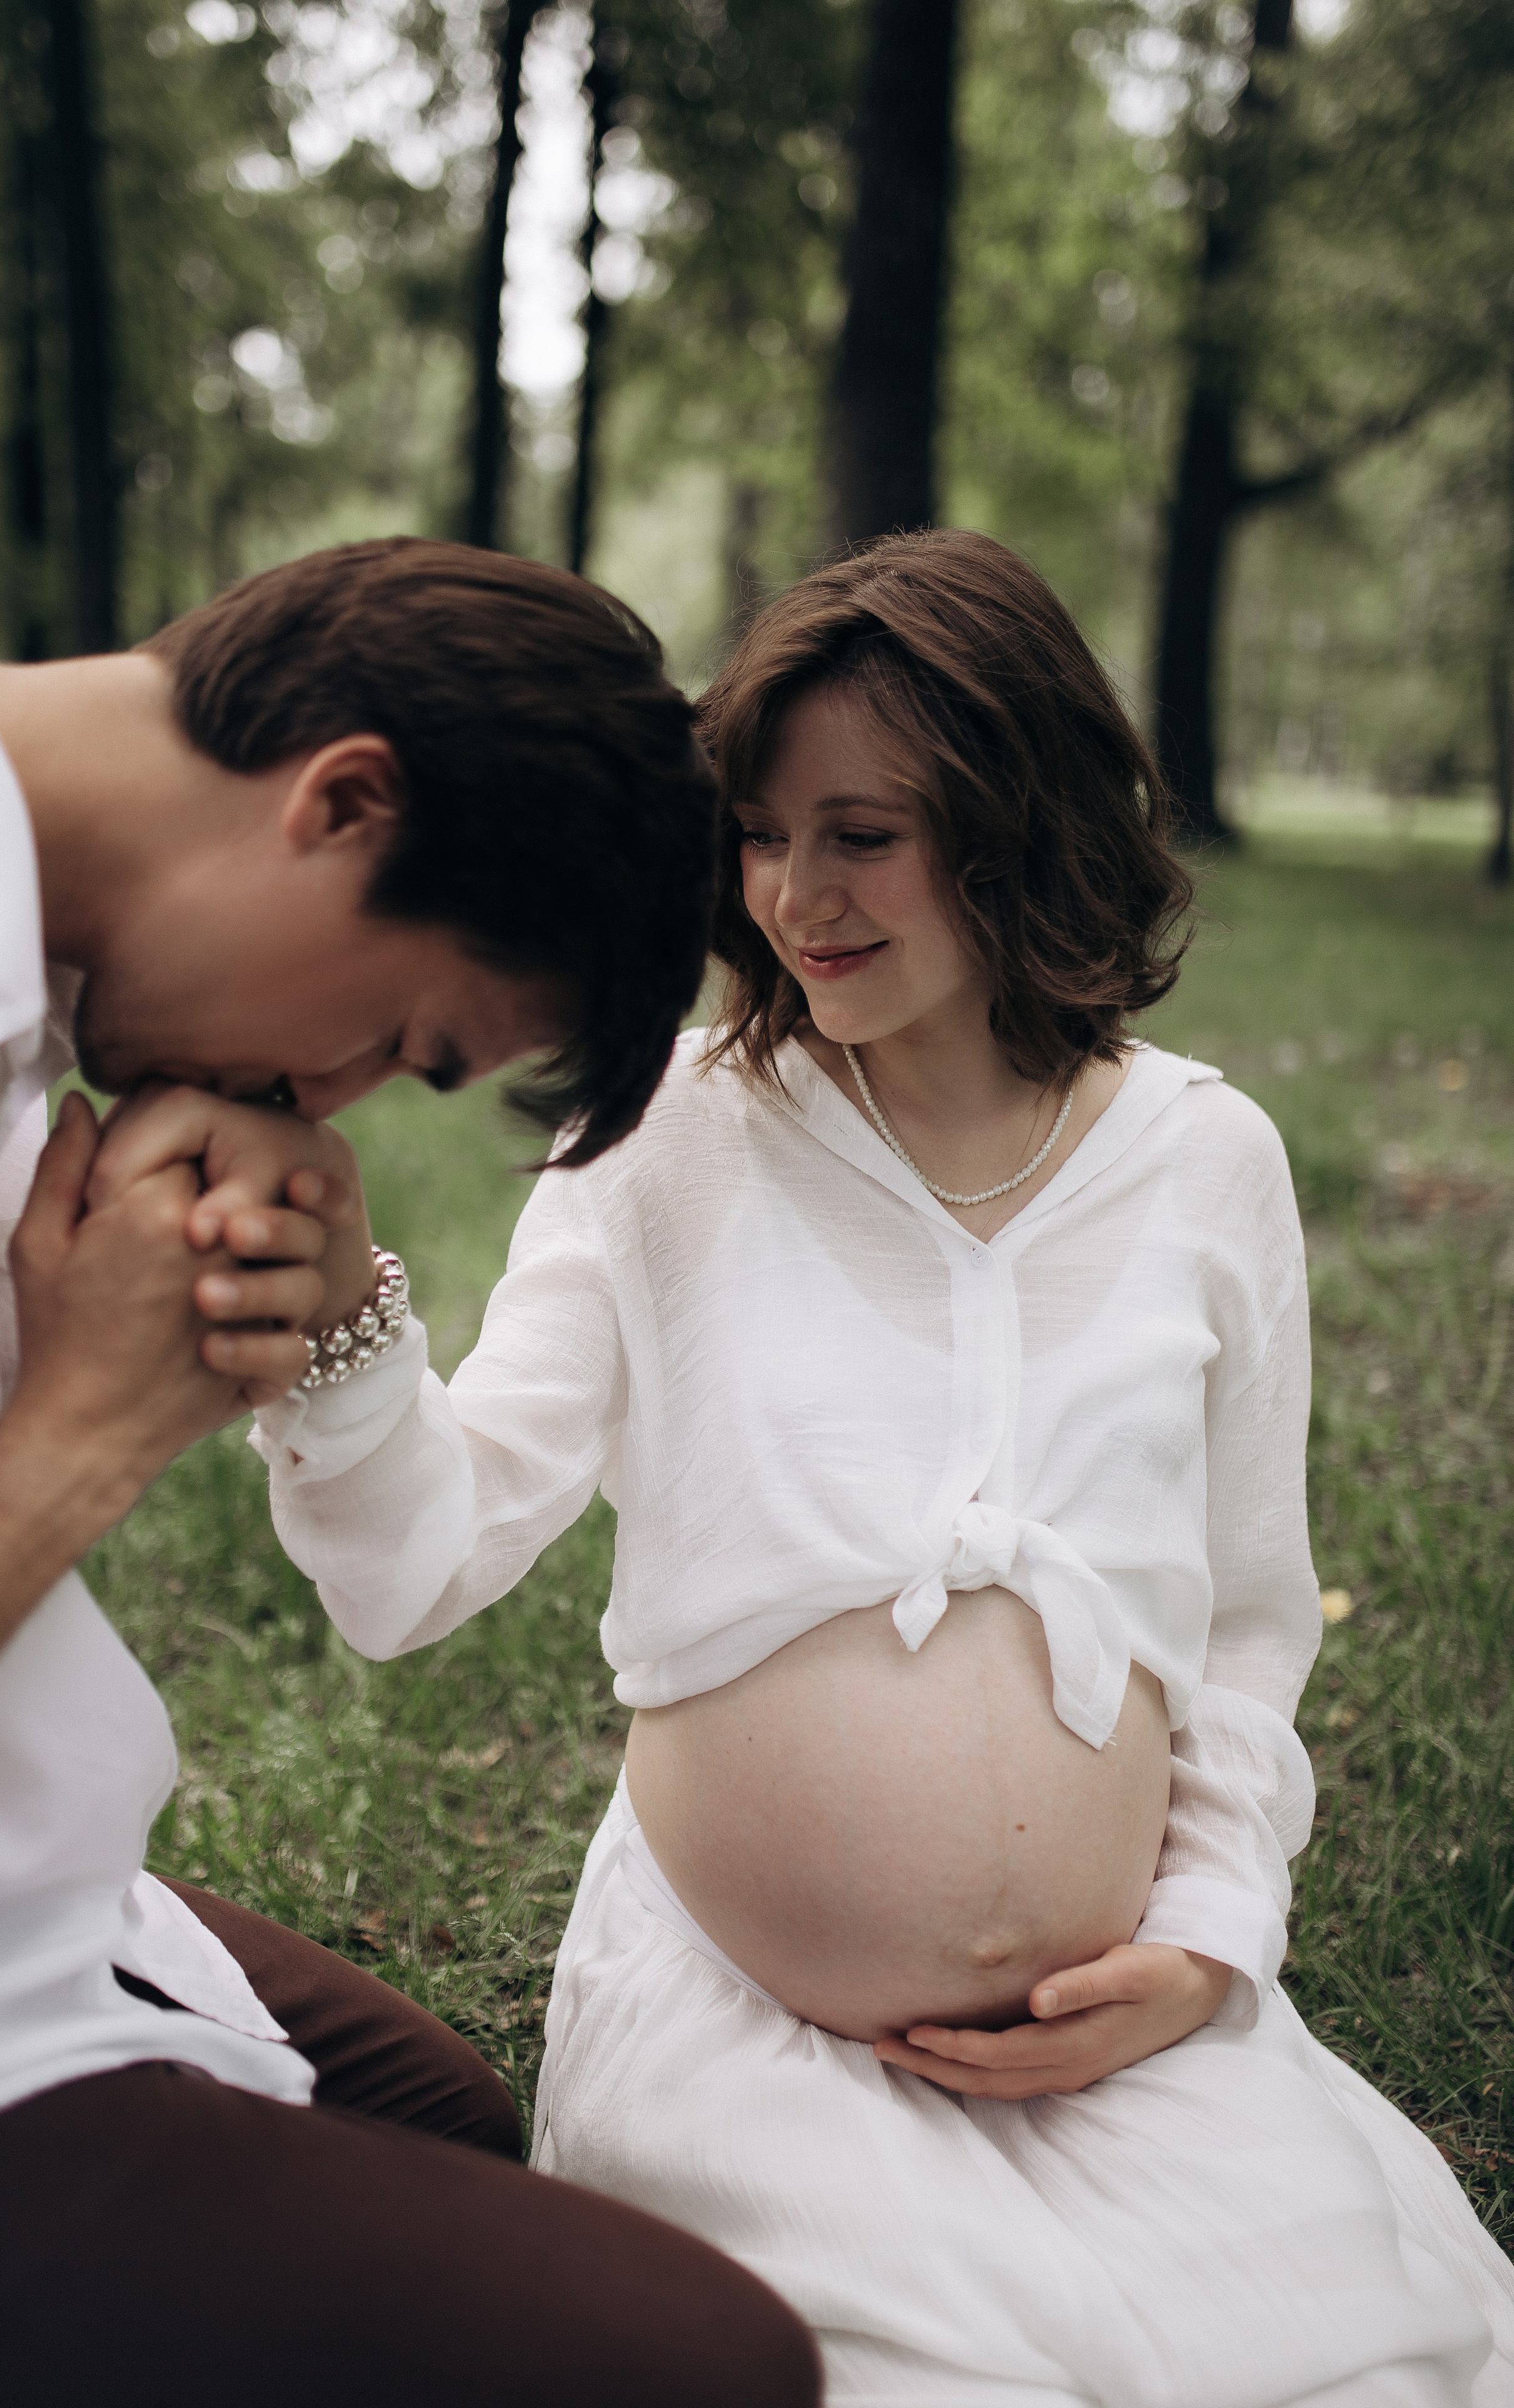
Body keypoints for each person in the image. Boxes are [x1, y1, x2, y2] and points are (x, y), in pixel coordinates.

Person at [234, 531, 1514, 2405]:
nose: (792, 895)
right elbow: (411, 1567)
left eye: (862, 834)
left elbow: (1244, 1630)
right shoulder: (667, 1139)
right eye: (760, 834)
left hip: (1124, 2040)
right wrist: (344, 1340)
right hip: (752, 2045)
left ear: (1020, 823)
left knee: (1365, 2363)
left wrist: (1210, 1947)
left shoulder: (1205, 1166)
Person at [0, 540, 820, 2408]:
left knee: (441, 2112)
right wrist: (80, 1434)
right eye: (400, 1044)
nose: (317, 1102)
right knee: (714, 2368)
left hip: (11, 1851)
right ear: (343, 802)